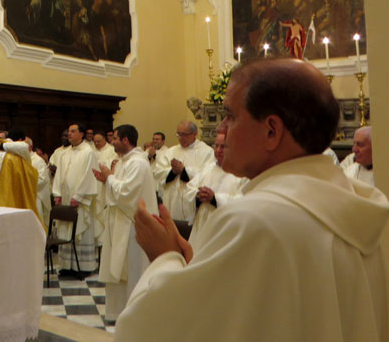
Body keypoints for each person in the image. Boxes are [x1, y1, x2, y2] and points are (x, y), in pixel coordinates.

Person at [116, 59, 389, 342]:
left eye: (230, 116)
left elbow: (157, 327)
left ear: (271, 130)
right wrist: (191, 260)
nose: (221, 128)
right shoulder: (352, 203)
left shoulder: (257, 221)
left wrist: (163, 258)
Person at [93, 124, 157, 322]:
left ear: (126, 140)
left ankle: (134, 315)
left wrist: (109, 178)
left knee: (132, 269)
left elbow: (127, 194)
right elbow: (116, 190)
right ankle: (118, 312)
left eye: (115, 138)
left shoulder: (138, 163)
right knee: (118, 268)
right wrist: (106, 181)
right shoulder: (122, 162)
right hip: (119, 221)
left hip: (132, 225)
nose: (112, 142)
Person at [184, 131, 246, 251]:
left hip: (224, 230)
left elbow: (244, 201)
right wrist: (197, 194)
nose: (218, 150)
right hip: (201, 226)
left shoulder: (242, 172)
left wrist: (215, 199)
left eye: (223, 146)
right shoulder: (208, 168)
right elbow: (190, 188)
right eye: (215, 146)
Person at [52, 123, 99, 273]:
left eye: (73, 131)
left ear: (82, 134)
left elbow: (89, 175)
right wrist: (57, 193)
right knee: (65, 230)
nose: (69, 134)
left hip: (80, 200)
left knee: (80, 230)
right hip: (65, 198)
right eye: (69, 132)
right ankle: (66, 266)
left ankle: (83, 267)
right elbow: (59, 175)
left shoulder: (88, 152)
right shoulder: (64, 153)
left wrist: (78, 196)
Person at [0, 128, 42, 226]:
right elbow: (25, 148)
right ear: (20, 140)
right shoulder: (15, 156)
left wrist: (1, 145)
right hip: (6, 196)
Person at [154, 121, 214, 222]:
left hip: (192, 203)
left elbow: (208, 175)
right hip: (172, 201)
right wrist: (172, 171)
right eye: (179, 134)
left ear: (194, 134)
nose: (181, 138)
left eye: (184, 134)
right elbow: (158, 172)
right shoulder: (170, 151)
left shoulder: (207, 152)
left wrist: (184, 170)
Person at [26, 137, 51, 228]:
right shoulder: (19, 159)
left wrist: (25, 185)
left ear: (30, 147)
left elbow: (42, 179)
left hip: (35, 196)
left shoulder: (38, 160)